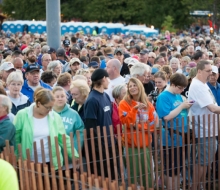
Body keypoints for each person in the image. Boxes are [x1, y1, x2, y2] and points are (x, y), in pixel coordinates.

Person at [13, 88, 79, 169]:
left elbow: (63, 138)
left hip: (51, 162)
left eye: (52, 107)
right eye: (48, 107)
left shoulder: (55, 117)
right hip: (29, 163)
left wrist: (74, 155)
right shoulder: (22, 115)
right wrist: (17, 157)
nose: (50, 110)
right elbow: (16, 138)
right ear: (38, 104)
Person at [119, 77, 157, 188]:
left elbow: (153, 124)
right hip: (130, 145)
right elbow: (126, 123)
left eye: (134, 85)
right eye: (130, 86)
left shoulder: (148, 104)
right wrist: (134, 109)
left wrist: (138, 126)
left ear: (139, 86)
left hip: (145, 145)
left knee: (148, 173)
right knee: (132, 175)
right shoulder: (124, 103)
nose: (132, 88)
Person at [156, 73, 192, 190]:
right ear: (172, 84)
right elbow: (166, 117)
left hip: (181, 137)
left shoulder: (178, 96)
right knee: (171, 168)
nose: (182, 90)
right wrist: (182, 106)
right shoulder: (164, 97)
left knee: (178, 168)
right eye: (180, 88)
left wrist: (186, 106)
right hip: (170, 138)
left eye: (183, 88)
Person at [188, 60, 220, 189]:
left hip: (209, 129)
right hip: (204, 130)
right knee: (203, 162)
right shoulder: (198, 86)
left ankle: (198, 184)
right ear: (199, 71)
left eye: (211, 72)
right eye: (207, 72)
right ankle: (195, 186)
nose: (210, 74)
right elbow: (213, 108)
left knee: (206, 161)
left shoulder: (202, 84)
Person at [84, 68, 118, 180]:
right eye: (107, 78)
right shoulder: (92, 100)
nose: (109, 81)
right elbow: (90, 127)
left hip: (110, 143)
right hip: (100, 147)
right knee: (103, 178)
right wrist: (99, 147)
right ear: (103, 79)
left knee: (112, 176)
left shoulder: (105, 96)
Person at [52, 86, 84, 153]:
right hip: (53, 154)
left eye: (62, 96)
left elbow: (80, 132)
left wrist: (75, 149)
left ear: (66, 98)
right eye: (57, 97)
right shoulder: (48, 114)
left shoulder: (74, 114)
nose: (60, 99)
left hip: (70, 153)